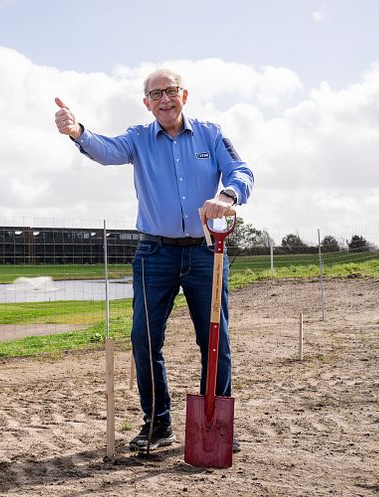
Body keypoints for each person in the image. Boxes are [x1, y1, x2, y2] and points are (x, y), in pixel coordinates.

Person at [54, 68, 253, 452]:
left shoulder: (211, 135)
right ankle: (158, 425)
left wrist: (227, 196)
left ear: (185, 95)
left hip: (205, 252)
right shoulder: (138, 139)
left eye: (171, 91)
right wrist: (77, 131)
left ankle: (215, 423)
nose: (165, 99)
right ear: (147, 103)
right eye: (156, 94)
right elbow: (106, 149)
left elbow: (242, 171)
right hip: (154, 254)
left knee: (215, 340)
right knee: (143, 339)